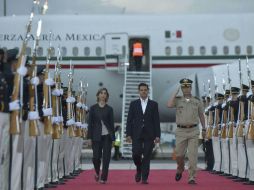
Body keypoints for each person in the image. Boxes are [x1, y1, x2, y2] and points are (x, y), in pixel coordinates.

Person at [167, 78, 206, 185]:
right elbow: (169, 105)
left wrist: (204, 128)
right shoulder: (178, 100)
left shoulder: (197, 101)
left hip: (194, 131)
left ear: (191, 87)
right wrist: (175, 92)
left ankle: (191, 177)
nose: (186, 89)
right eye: (183, 87)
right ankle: (180, 167)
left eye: (188, 86)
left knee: (193, 156)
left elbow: (201, 115)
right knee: (179, 155)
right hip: (181, 131)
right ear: (181, 88)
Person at [126, 83, 161, 184]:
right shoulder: (133, 104)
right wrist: (128, 134)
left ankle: (144, 178)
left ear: (148, 91)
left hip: (149, 134)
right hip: (136, 133)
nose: (143, 91)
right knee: (136, 154)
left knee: (146, 156)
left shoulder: (154, 104)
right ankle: (139, 169)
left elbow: (156, 121)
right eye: (141, 90)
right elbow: (129, 120)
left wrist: (158, 135)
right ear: (139, 91)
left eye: (145, 90)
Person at [87, 88, 115, 184]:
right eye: (101, 93)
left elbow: (112, 124)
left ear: (107, 96)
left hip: (107, 136)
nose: (103, 95)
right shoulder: (93, 108)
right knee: (96, 157)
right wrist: (89, 137)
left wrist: (113, 138)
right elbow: (90, 123)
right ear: (98, 95)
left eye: (105, 93)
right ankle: (97, 171)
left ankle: (103, 178)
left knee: (106, 158)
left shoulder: (109, 109)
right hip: (96, 136)